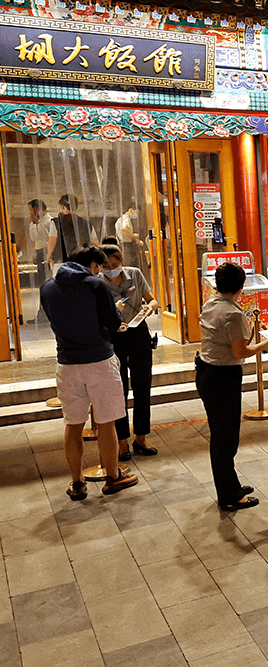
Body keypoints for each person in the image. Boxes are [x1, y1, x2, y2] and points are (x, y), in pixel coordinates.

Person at [42, 245, 138, 500]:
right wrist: (115, 311)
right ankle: (113, 477)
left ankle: (77, 482)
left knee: (73, 424)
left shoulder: (47, 287)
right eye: (100, 267)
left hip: (66, 363)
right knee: (106, 422)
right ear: (94, 264)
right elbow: (113, 323)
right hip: (99, 361)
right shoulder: (96, 285)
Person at [197, 262, 268, 510]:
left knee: (221, 434)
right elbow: (240, 351)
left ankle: (230, 485)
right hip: (223, 377)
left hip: (206, 372)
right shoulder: (233, 313)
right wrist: (264, 346)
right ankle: (229, 495)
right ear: (241, 286)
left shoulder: (210, 304)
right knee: (226, 438)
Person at [99, 244, 159, 462]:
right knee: (119, 389)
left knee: (143, 386)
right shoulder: (97, 282)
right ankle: (122, 441)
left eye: (115, 264)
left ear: (121, 262)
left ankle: (141, 438)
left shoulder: (134, 274)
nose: (111, 269)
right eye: (106, 266)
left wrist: (151, 306)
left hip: (138, 332)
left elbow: (152, 299)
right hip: (114, 336)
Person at [47, 195, 98, 271]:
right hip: (82, 262)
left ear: (62, 206)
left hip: (62, 261)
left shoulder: (56, 222)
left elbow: (52, 242)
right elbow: (95, 243)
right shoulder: (86, 223)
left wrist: (48, 257)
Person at [27, 199, 52, 288]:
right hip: (41, 252)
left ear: (37, 210)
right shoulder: (42, 221)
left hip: (45, 253)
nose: (30, 213)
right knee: (42, 279)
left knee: (44, 280)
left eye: (31, 210)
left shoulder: (47, 222)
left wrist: (33, 223)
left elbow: (35, 237)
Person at [115, 201, 142, 269]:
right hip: (126, 245)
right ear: (130, 210)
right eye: (136, 212)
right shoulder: (126, 219)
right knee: (129, 264)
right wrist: (133, 235)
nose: (136, 215)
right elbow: (124, 229)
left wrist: (135, 239)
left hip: (122, 244)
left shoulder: (120, 219)